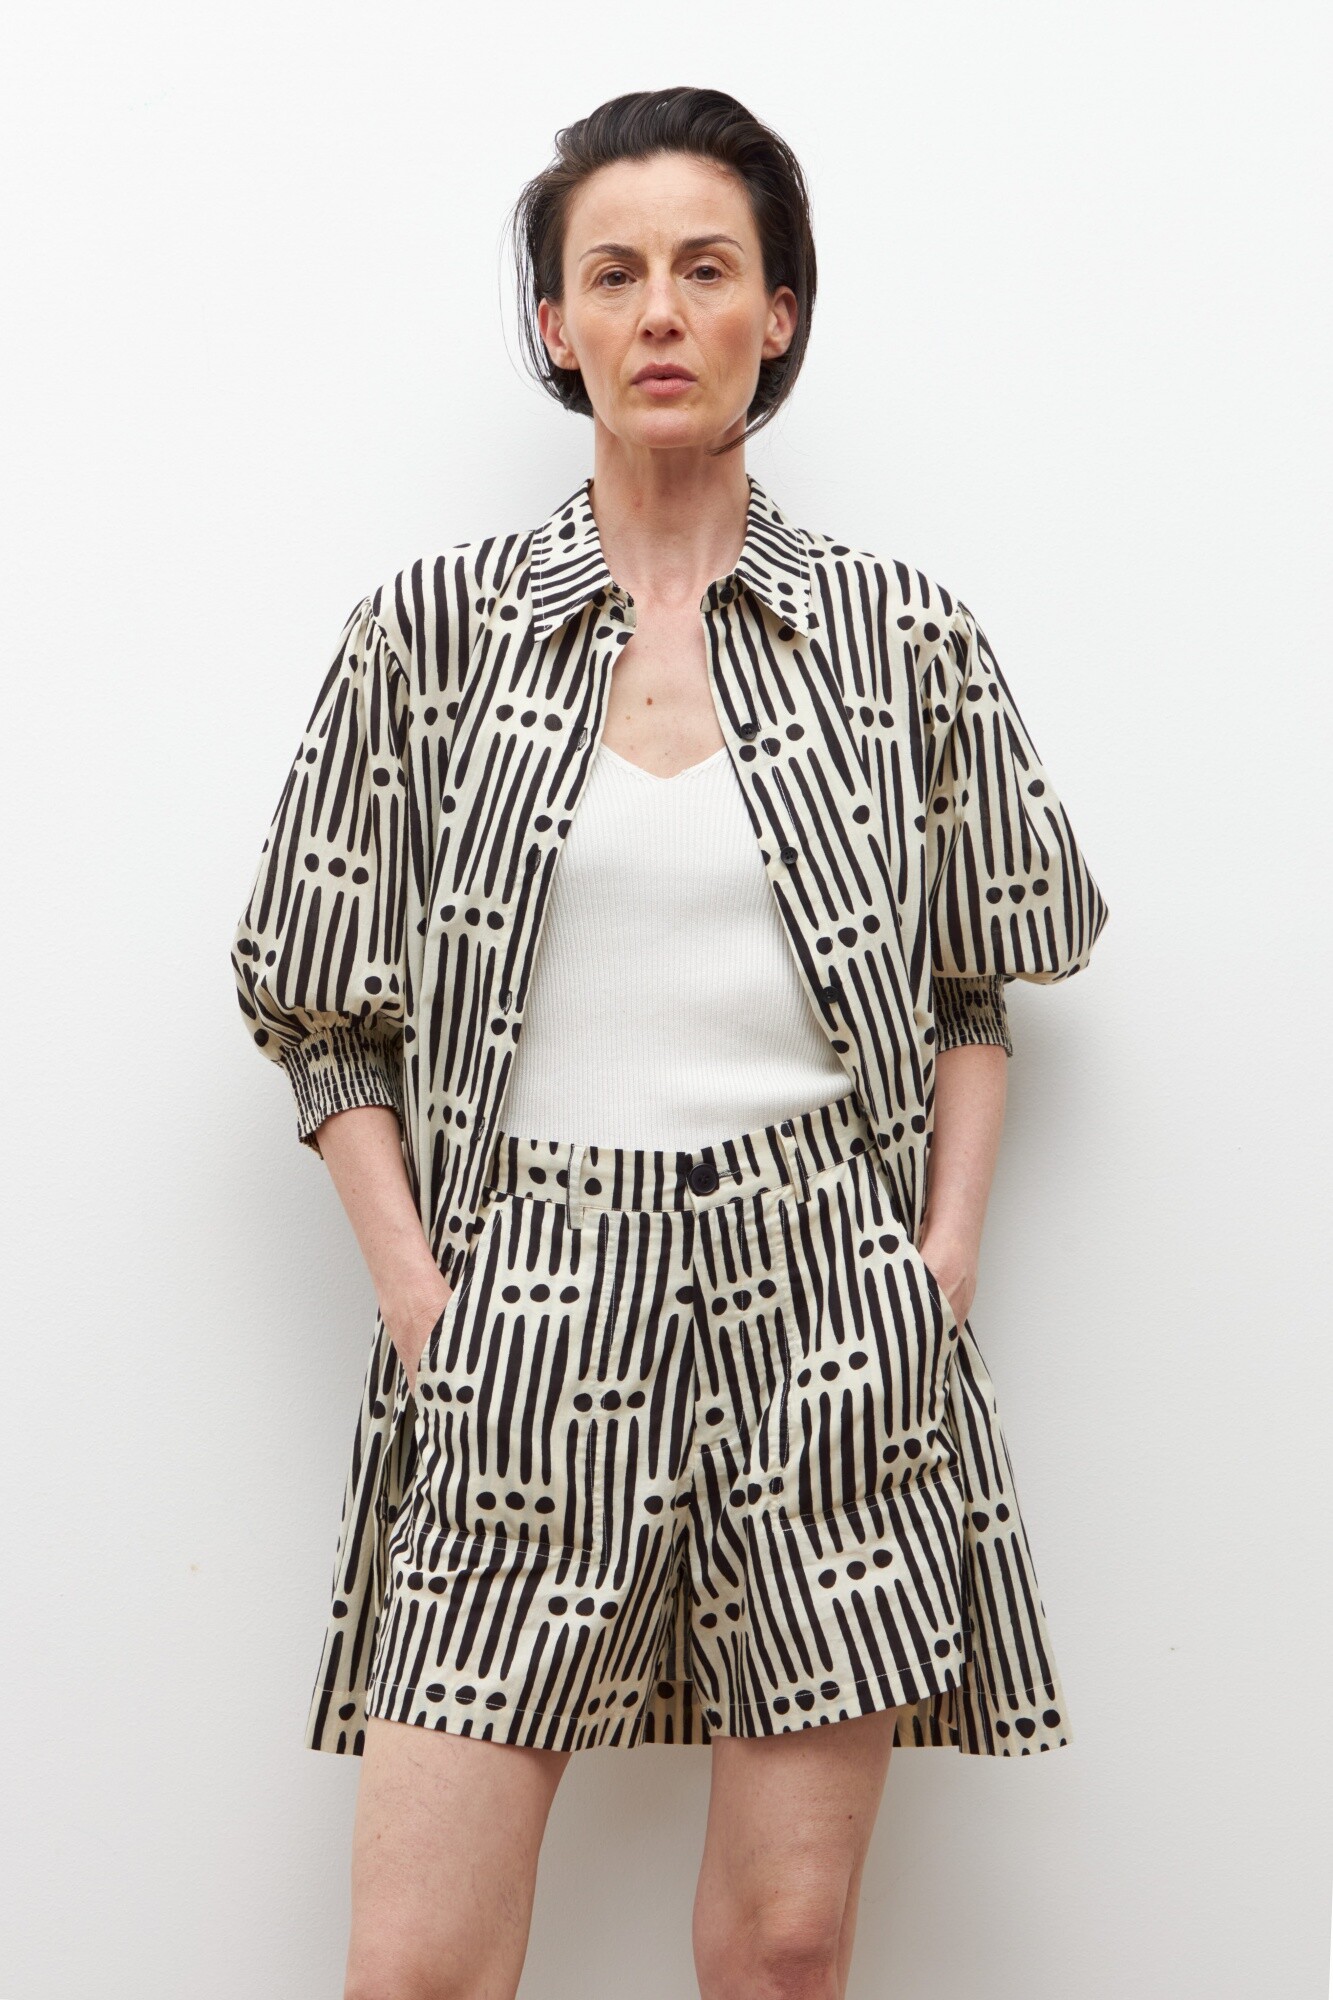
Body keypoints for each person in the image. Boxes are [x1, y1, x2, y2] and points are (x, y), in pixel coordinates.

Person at [231, 84, 1108, 2000]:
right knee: (416, 1967)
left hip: (828, 1297)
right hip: (525, 1288)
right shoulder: (429, 636)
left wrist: (939, 1261)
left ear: (775, 313)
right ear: (553, 324)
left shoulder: (900, 639)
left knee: (786, 1949)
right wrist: (419, 1293)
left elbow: (976, 982)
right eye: (610, 273)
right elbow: (320, 1011)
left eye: (706, 269)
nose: (657, 312)